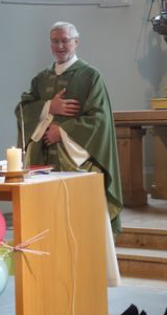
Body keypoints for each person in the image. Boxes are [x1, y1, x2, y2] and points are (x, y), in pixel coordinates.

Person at [16, 21, 124, 235]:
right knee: (47, 220)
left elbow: (99, 119)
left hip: (77, 162)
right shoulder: (40, 79)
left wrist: (62, 132)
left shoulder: (90, 76)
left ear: (76, 42)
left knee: (78, 224)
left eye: (65, 41)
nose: (60, 46)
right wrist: (49, 106)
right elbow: (22, 110)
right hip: (42, 160)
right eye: (55, 41)